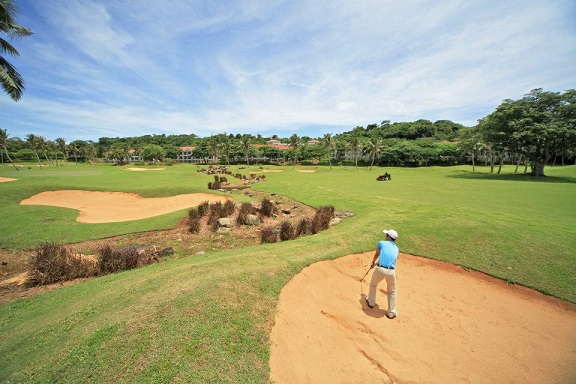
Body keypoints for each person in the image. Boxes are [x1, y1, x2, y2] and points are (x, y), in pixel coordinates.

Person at [365, 229, 399, 319]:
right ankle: (391, 312)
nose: (385, 236)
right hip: (392, 272)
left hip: (380, 270)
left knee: (373, 284)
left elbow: (377, 254)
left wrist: (373, 262)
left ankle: (371, 302)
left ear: (389, 237)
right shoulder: (396, 248)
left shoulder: (381, 243)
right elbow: (393, 260)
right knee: (392, 291)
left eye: (386, 234)